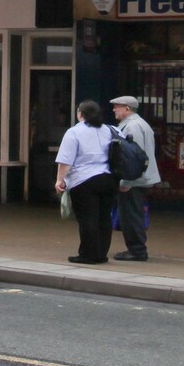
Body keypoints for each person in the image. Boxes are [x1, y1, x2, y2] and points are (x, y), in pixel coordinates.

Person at [55, 101, 119, 265]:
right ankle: (101, 253)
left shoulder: (74, 132)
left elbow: (65, 160)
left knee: (87, 219)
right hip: (108, 178)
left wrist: (60, 180)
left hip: (83, 180)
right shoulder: (111, 130)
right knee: (104, 218)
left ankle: (88, 254)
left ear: (80, 114)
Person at [110, 94, 159, 261]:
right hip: (140, 178)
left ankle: (137, 250)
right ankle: (136, 248)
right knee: (133, 213)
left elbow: (132, 158)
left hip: (134, 180)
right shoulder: (139, 124)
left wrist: (126, 181)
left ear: (127, 109)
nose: (114, 109)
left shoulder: (132, 127)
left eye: (117, 106)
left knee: (130, 215)